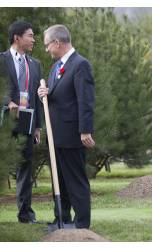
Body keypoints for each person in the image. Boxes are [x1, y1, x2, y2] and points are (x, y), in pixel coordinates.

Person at [37, 24, 95, 228]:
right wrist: (46, 94)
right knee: (59, 180)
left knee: (75, 180)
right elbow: (60, 95)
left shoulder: (81, 64)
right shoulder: (56, 66)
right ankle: (61, 219)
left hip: (72, 134)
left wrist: (85, 130)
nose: (46, 49)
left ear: (57, 43)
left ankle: (82, 224)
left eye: (47, 45)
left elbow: (85, 100)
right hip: (56, 135)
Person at [0, 20, 42, 224]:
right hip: (4, 122)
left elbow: (36, 98)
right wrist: (8, 102)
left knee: (25, 168)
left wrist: (38, 126)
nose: (34, 39)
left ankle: (25, 215)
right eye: (30, 35)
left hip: (27, 122)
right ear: (17, 37)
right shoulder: (1, 60)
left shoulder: (35, 64)